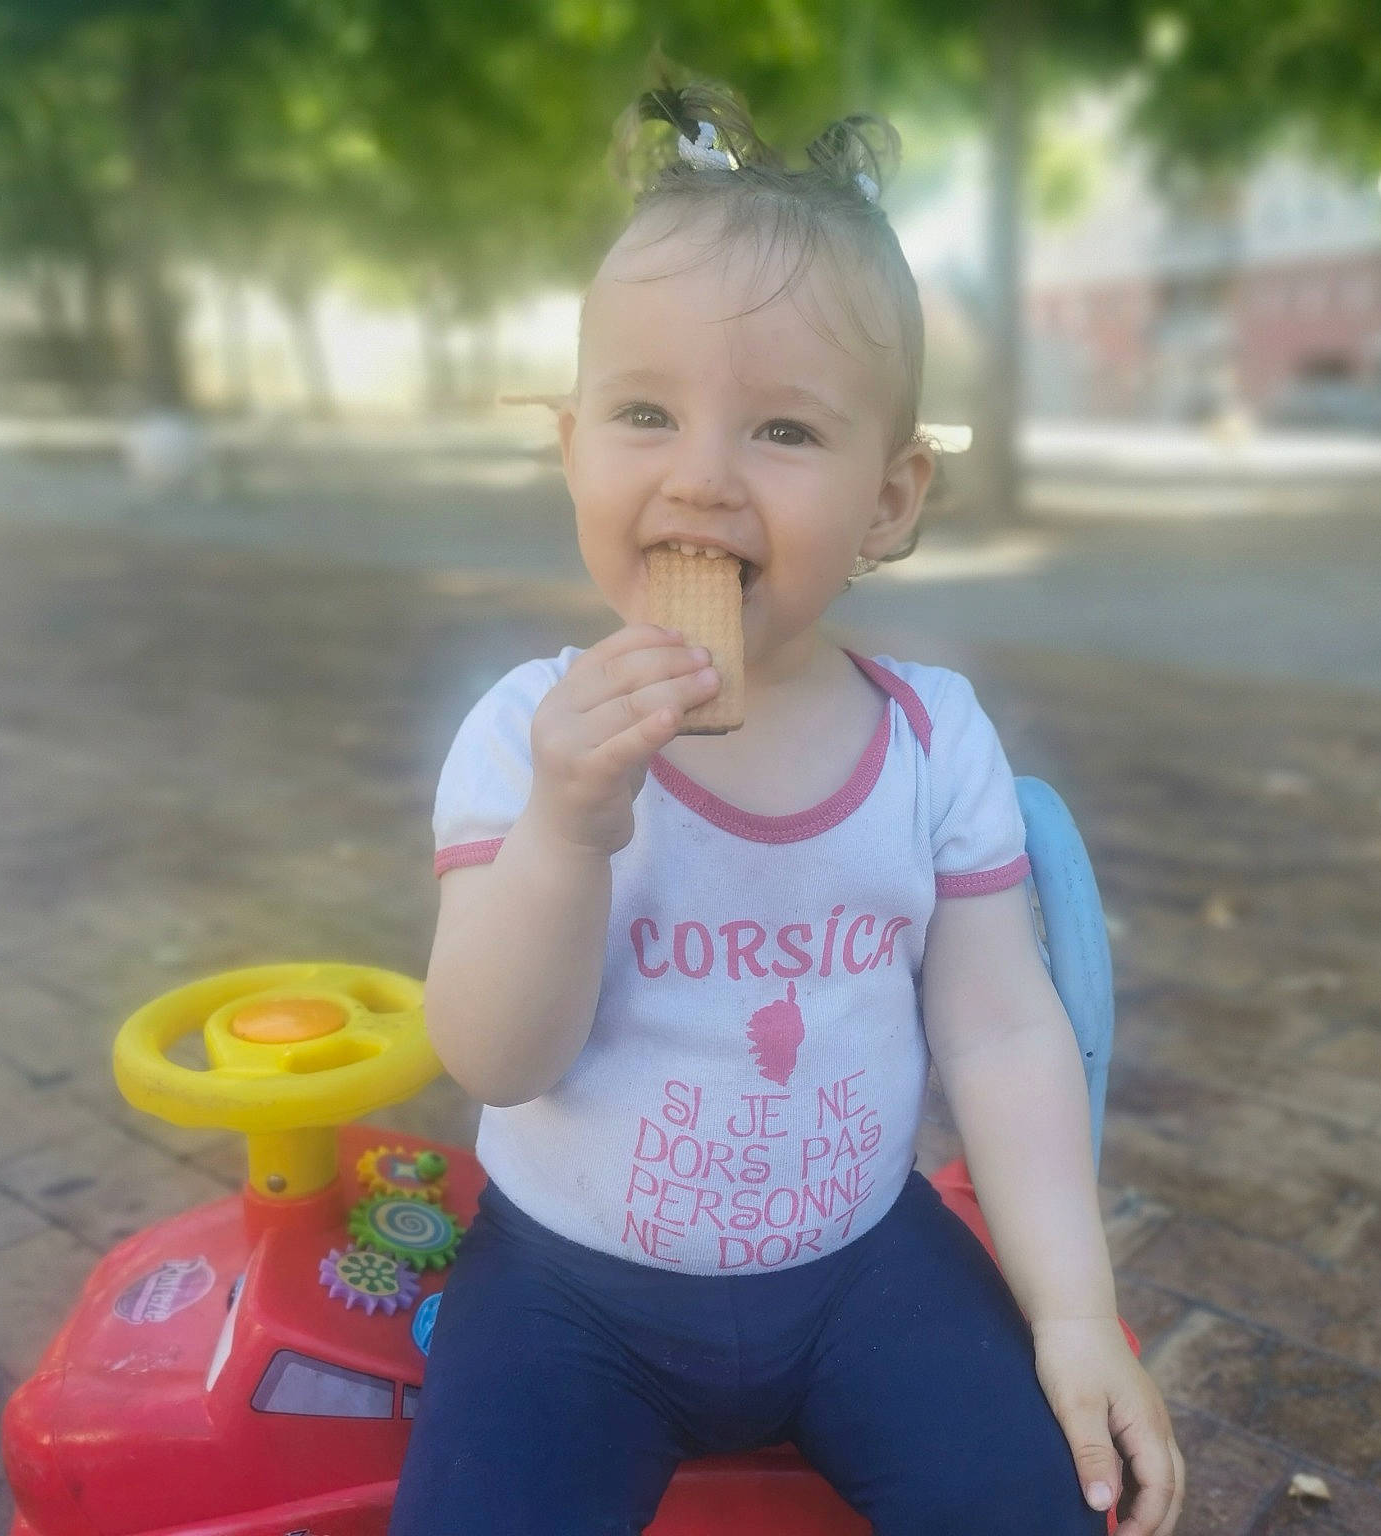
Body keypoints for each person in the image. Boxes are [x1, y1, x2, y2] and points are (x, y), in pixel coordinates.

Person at [391, 70, 1183, 1536]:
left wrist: (1075, 1315)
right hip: (567, 1293)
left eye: (785, 433)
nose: (702, 478)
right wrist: (569, 828)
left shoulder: (934, 741)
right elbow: (497, 1058)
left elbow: (1005, 1031)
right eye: (644, 412)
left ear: (890, 500)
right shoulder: (526, 735)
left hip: (861, 1274)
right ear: (570, 448)